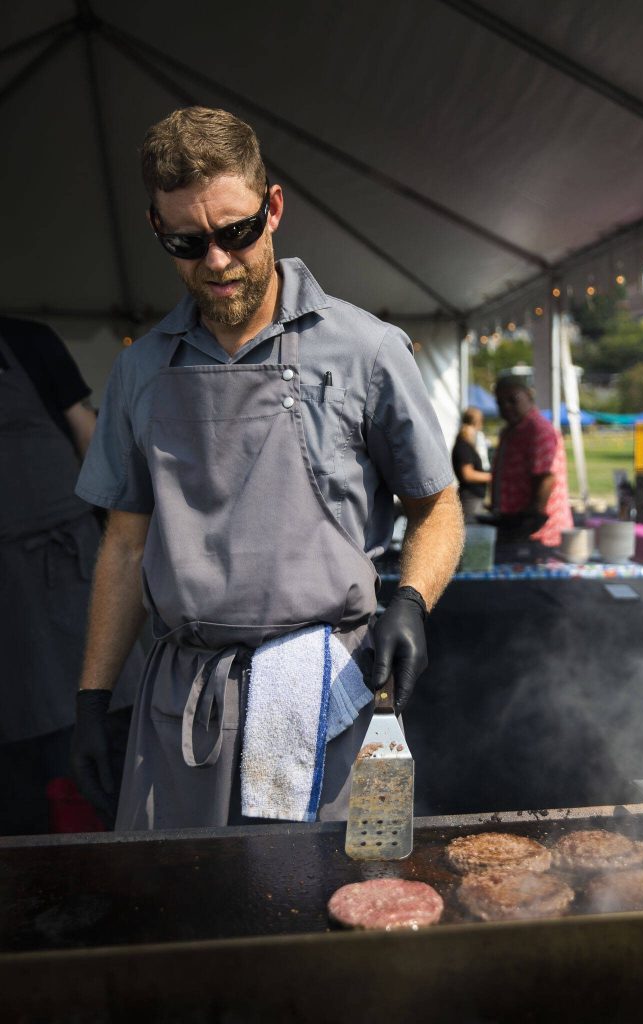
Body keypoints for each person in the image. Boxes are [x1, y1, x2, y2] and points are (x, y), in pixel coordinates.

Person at [72, 106, 464, 831]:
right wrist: (94, 696)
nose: (216, 262)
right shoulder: (141, 369)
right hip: (180, 705)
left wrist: (410, 599)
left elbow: (437, 506)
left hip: (334, 696)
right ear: (158, 230)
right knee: (180, 921)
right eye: (188, 242)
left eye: (236, 233)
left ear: (273, 208)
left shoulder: (368, 351)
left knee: (338, 912)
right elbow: (125, 546)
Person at [0, 316, 140, 835]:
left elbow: (89, 436)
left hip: (69, 572)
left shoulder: (24, 341)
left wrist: (126, 539)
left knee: (99, 748)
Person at [491, 377, 573, 559]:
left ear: (528, 395)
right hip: (515, 526)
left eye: (513, 400)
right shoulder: (512, 430)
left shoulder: (538, 429)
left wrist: (531, 520)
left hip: (539, 533)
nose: (506, 407)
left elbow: (546, 478)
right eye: (500, 403)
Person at [452, 407, 492, 522]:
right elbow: (468, 474)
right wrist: (490, 477)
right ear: (477, 423)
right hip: (470, 499)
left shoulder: (465, 444)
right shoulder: (463, 445)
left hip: (473, 498)